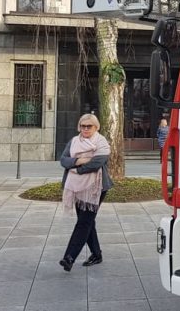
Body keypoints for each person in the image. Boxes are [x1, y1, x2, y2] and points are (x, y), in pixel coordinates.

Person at [58, 114, 113, 271]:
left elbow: (97, 163)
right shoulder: (74, 141)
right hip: (76, 187)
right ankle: (96, 254)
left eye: (89, 126)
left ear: (97, 127)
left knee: (84, 222)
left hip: (96, 187)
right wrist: (77, 161)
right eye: (83, 126)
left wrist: (77, 169)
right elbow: (63, 160)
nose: (86, 129)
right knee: (88, 222)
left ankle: (69, 257)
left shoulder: (101, 142)